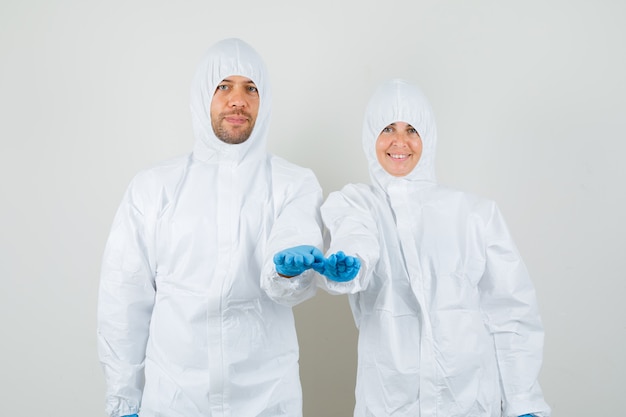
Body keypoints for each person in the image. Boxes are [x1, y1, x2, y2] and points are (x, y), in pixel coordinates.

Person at [97, 38, 324, 417]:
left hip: (266, 398)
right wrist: (123, 397)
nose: (238, 100)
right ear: (203, 95)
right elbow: (124, 298)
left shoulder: (293, 184)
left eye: (250, 88)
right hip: (175, 398)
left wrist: (287, 269)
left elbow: (295, 249)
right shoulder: (155, 188)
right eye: (224, 87)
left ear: (263, 100)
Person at [314, 79, 551, 416]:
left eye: (412, 129)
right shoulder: (358, 203)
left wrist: (523, 399)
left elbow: (511, 312)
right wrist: (352, 261)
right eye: (388, 128)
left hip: (470, 401)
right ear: (371, 137)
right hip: (390, 402)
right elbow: (356, 236)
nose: (400, 141)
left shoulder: (474, 214)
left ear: (429, 135)